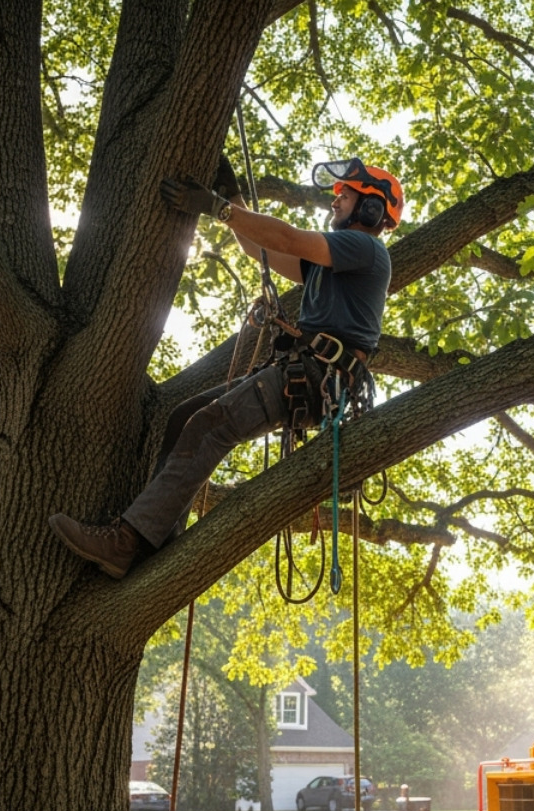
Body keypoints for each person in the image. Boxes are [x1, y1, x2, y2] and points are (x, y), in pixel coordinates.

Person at [48, 157, 402, 578]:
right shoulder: (332, 263)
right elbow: (262, 249)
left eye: (345, 196)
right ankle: (159, 535)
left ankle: (127, 541)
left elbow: (287, 238)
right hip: (303, 372)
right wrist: (231, 198)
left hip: (316, 378)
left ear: (372, 210)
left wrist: (219, 207)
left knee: (211, 424)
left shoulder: (364, 248)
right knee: (183, 418)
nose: (335, 203)